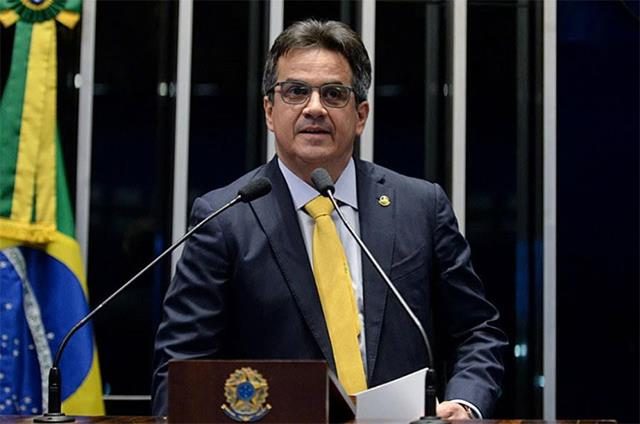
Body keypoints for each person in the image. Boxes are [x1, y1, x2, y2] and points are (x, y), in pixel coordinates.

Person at [151, 19, 507, 419]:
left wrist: (466, 403)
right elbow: (180, 372)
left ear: (360, 115)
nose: (315, 108)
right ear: (269, 111)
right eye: (296, 91)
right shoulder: (225, 220)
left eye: (334, 94)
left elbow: (477, 332)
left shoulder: (420, 207)